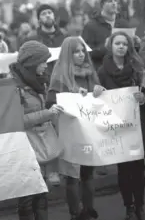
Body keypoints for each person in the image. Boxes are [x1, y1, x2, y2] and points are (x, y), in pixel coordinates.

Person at [46, 37, 105, 220]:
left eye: (82, 51)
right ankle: (75, 213)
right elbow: (51, 102)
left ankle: (89, 209)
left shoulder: (90, 74)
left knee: (88, 173)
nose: (80, 55)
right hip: (69, 132)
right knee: (72, 176)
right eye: (76, 52)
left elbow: (101, 101)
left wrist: (99, 91)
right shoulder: (59, 77)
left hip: (88, 132)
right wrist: (72, 96)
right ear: (67, 54)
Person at [96, 31, 145, 220]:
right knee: (123, 170)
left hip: (135, 125)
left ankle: (140, 206)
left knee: (138, 169)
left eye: (124, 44)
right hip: (116, 128)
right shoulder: (102, 71)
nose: (121, 46)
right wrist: (97, 92)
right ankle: (129, 206)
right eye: (117, 43)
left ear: (129, 47)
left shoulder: (137, 68)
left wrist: (142, 98)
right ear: (110, 46)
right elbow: (99, 99)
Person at [7, 40, 61, 220]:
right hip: (24, 148)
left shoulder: (38, 82)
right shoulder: (14, 86)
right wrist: (47, 114)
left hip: (37, 144)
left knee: (42, 193)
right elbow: (16, 121)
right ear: (32, 63)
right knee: (28, 197)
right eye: (43, 61)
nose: (46, 65)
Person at [82, 0, 129, 70]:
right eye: (110, 1)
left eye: (115, 1)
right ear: (102, 5)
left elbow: (131, 51)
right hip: (102, 72)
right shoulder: (91, 26)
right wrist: (104, 48)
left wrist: (136, 44)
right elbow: (85, 52)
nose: (114, 3)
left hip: (123, 71)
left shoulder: (123, 23)